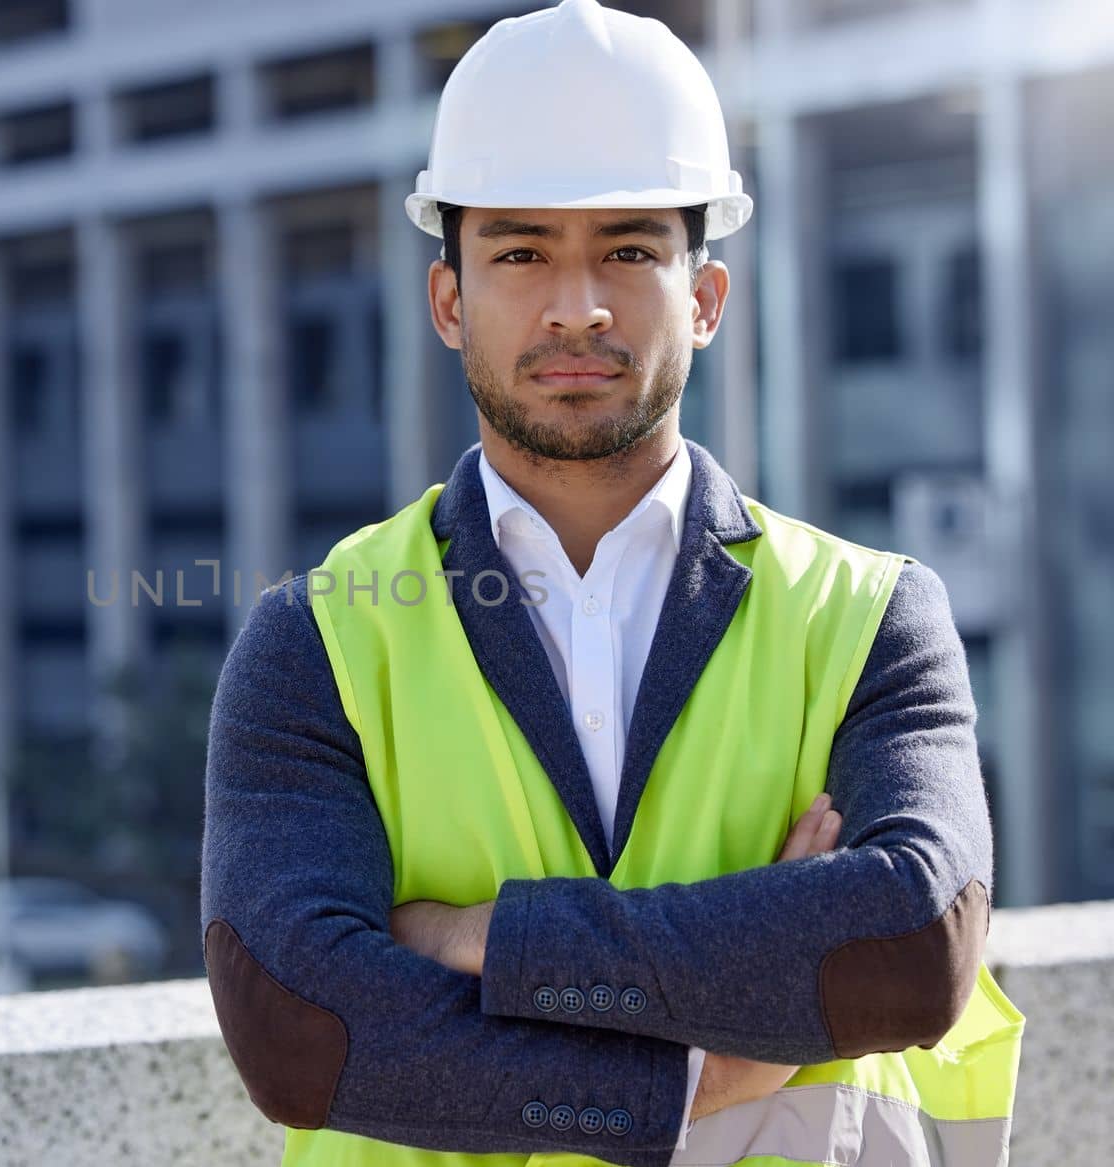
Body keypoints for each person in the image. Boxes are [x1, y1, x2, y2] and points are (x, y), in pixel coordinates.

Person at [199, 2, 1024, 1165]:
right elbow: (300, 1032)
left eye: (629, 250)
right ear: (449, 302)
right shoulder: (318, 640)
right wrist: (703, 1073)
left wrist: (480, 939)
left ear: (705, 299)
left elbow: (910, 944)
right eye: (521, 251)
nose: (576, 304)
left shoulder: (869, 616)